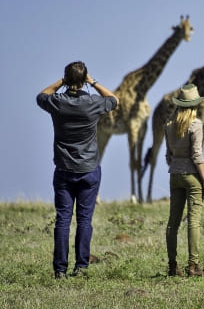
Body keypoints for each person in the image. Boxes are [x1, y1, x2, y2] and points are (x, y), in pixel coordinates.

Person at [37, 61, 119, 279]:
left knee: (63, 219)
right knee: (84, 220)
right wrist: (93, 82)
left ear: (66, 79)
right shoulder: (93, 102)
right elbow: (114, 99)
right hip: (89, 169)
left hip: (64, 169)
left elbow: (41, 96)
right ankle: (81, 266)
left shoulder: (56, 102)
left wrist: (62, 81)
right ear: (84, 80)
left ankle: (60, 270)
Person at [164, 84, 204, 277]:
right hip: (192, 176)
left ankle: (173, 266)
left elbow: (168, 155)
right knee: (193, 222)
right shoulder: (196, 124)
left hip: (174, 175)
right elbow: (197, 155)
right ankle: (194, 266)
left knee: (172, 223)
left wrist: (176, 165)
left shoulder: (168, 124)